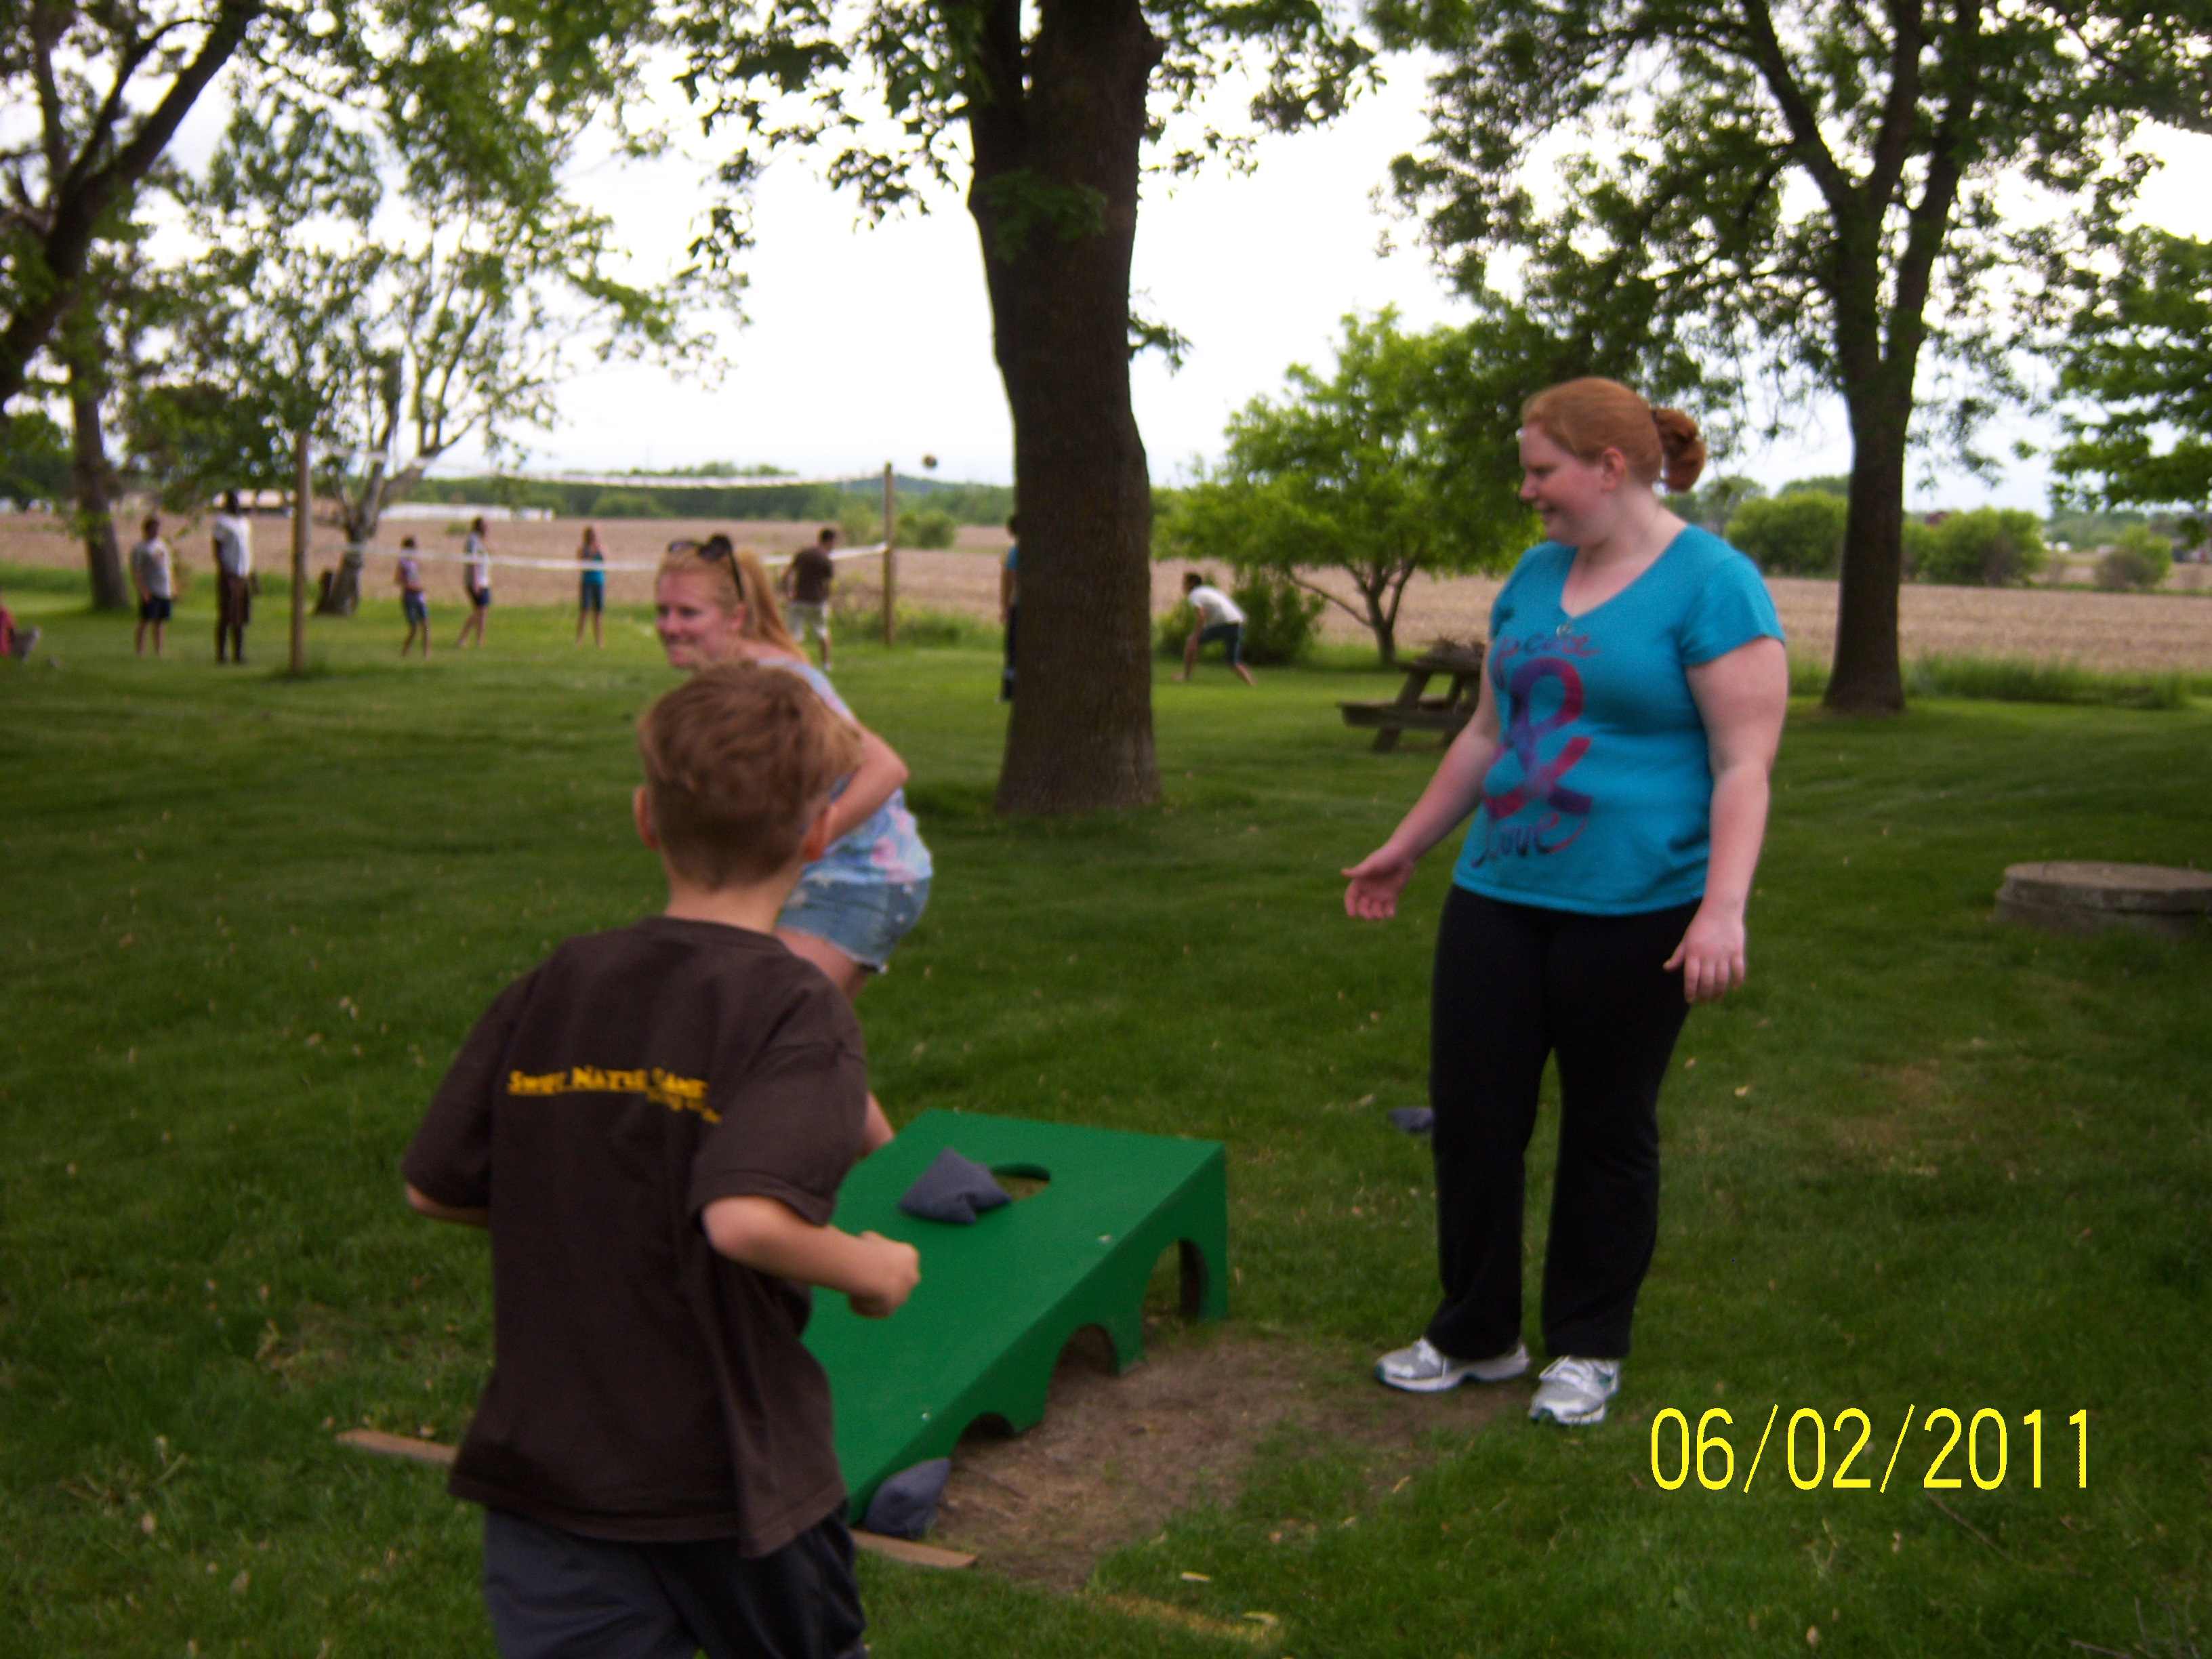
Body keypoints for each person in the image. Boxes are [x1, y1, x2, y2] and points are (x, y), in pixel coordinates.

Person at [402, 662, 920, 1659]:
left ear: (645, 818)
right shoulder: (796, 1010)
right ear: (820, 834)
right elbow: (745, 1220)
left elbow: (436, 1188)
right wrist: (873, 1267)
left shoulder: (559, 981)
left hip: (550, 1469)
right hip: (732, 1481)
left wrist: (589, 1203)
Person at [1344, 377, 1788, 1428]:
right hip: (1499, 890)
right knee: (1474, 1121)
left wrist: (1722, 908)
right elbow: (1488, 734)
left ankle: (1589, 1346)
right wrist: (1407, 846)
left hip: (1638, 905)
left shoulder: (1715, 585)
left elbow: (1744, 762)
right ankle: (1478, 1334)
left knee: (1606, 1127)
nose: (1528, 491)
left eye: (1542, 470)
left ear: (1609, 466)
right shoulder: (1535, 575)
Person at [656, 536, 933, 1151]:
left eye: (688, 613)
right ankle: (905, 1182)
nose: (670, 627)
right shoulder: (728, 679)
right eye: (663, 611)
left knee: (759, 1019)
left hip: (865, 878)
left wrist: (812, 838)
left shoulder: (779, 681)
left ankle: (766, 1181)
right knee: (806, 1038)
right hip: (824, 879)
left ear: (734, 617)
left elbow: (885, 767)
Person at [1176, 571, 1255, 685]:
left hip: (1223, 623)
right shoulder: (1209, 590)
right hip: (1238, 622)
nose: (1183, 586)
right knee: (1233, 661)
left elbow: (1201, 616)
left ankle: (1186, 676)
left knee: (1191, 641)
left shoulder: (1194, 595)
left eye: (1185, 583)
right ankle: (1251, 683)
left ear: (1192, 583)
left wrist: (1196, 637)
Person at [778, 527, 837, 672]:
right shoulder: (826, 560)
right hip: (817, 602)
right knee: (822, 632)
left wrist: (788, 593)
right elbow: (828, 586)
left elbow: (786, 575)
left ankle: (793, 664)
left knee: (794, 636)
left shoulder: (803, 554)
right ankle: (826, 664)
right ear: (830, 541)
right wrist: (826, 599)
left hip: (799, 600)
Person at [212, 492, 253, 665]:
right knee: (227, 615)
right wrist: (223, 571)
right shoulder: (222, 523)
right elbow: (217, 548)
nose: (236, 504)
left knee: (240, 617)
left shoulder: (245, 523)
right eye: (232, 501)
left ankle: (238, 654)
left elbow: (247, 549)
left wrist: (253, 575)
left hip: (243, 574)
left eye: (237, 500)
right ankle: (221, 654)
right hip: (230, 573)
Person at [131, 514, 173, 657]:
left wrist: (173, 587)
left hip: (164, 589)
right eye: (154, 528)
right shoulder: (140, 548)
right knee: (145, 619)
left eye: (158, 528)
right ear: (147, 529)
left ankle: (159, 650)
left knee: (160, 620)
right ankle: (140, 650)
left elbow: (168, 567)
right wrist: (143, 590)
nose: (156, 531)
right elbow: (136, 571)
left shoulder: (162, 545)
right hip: (151, 589)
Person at [455, 516, 492, 648]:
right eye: (485, 525)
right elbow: (473, 562)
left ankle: (480, 640)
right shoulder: (473, 540)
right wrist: (476, 582)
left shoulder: (482, 540)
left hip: (484, 580)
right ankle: (462, 638)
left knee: (483, 611)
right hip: (475, 581)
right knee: (479, 610)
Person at [396, 537, 431, 659]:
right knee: (414, 628)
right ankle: (405, 652)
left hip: (420, 599)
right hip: (409, 599)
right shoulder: (403, 564)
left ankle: (427, 654)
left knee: (426, 626)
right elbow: (399, 581)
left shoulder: (414, 563)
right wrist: (414, 588)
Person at [575, 524, 607, 647]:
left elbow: (605, 560)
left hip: (599, 581)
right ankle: (579, 639)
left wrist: (601, 551)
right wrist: (593, 552)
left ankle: (599, 640)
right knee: (585, 611)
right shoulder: (583, 549)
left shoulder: (600, 547)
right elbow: (582, 562)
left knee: (598, 612)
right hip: (587, 582)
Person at [999, 516, 1019, 703]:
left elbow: (1008, 579)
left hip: (1019, 607)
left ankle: (1009, 691)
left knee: (1013, 649)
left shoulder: (1015, 552)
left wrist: (1005, 607)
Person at [0, 587, 39, 660]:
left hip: (7, 646)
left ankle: (22, 650)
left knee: (34, 632)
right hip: (6, 648)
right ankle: (23, 650)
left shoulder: (4, 612)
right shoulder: (4, 612)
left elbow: (12, 631)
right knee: (35, 633)